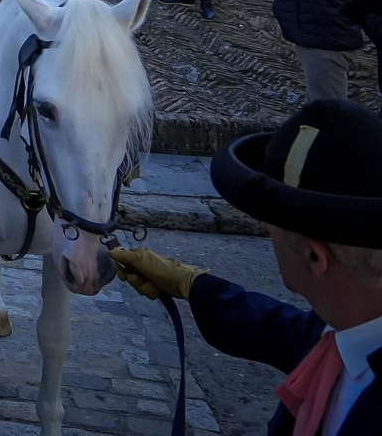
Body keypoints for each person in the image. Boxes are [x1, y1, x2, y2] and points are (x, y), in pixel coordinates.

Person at [112, 100, 382, 436]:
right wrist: (191, 283)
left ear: (315, 258)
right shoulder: (350, 327)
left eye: (275, 225)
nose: (269, 234)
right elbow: (281, 330)